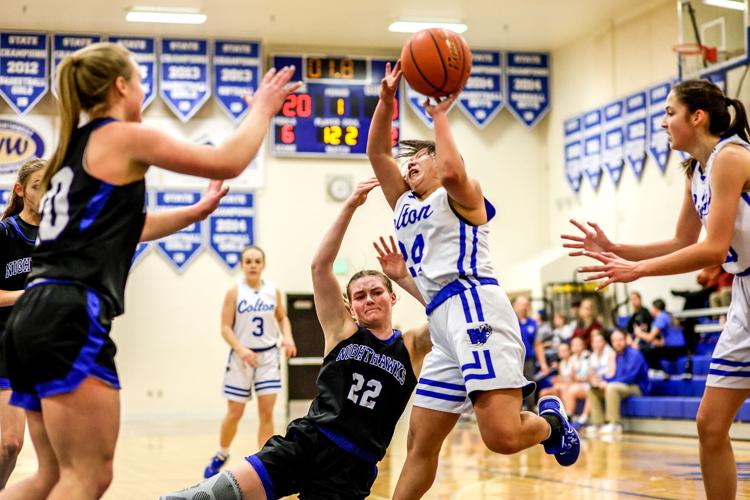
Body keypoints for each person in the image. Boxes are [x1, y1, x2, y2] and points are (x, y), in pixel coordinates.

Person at [0, 42, 299, 500]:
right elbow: (229, 160)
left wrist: (196, 212)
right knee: (86, 478)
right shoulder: (121, 136)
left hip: (30, 321)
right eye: (140, 80)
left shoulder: (68, 156)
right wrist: (262, 109)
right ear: (121, 85)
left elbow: (127, 228)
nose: (143, 89)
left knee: (51, 477)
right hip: (70, 316)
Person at [366, 61, 579, 500]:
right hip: (443, 323)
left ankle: (551, 423)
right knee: (420, 443)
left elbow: (454, 171)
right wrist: (386, 102)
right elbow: (377, 155)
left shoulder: (461, 194)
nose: (408, 168)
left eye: (417, 159)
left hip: (477, 310)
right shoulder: (405, 205)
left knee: (500, 438)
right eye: (407, 164)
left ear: (437, 158)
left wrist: (440, 115)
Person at [161, 179, 432, 500]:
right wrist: (348, 207)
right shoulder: (341, 330)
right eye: (360, 295)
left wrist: (403, 278)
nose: (369, 299)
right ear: (351, 306)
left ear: (392, 298)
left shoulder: (412, 345)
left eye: (377, 292)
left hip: (352, 469)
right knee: (198, 497)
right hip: (307, 442)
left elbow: (446, 310)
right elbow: (320, 267)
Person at [563, 79, 750, 499]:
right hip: (745, 295)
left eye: (670, 113)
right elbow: (684, 241)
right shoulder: (695, 171)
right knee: (710, 424)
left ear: (697, 117)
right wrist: (616, 248)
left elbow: (713, 249)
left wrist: (637, 271)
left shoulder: (731, 157)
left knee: (712, 424)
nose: (662, 122)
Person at [203, 245, 297, 478]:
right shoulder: (234, 292)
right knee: (235, 412)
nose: (253, 265)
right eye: (248, 261)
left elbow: (283, 318)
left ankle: (265, 464)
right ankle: (222, 452)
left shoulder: (273, 291)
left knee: (267, 413)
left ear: (263, 264)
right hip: (241, 357)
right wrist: (241, 349)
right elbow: (225, 328)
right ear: (242, 265)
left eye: (257, 261)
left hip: (267, 357)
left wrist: (287, 338)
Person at [0, 159, 44, 489]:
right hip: (5, 346)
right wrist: (29, 295)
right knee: (9, 443)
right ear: (21, 190)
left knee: (58, 458)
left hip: (44, 350)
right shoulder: (5, 233)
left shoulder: (61, 237)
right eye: (37, 185)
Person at [586, 330, 649, 435]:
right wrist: (602, 382)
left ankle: (614, 424)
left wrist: (608, 383)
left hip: (637, 387)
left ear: (625, 340)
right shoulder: (616, 356)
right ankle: (598, 424)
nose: (617, 343)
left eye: (620, 339)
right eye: (614, 340)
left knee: (611, 387)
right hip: (620, 386)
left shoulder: (635, 354)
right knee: (593, 389)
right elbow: (614, 376)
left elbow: (630, 378)